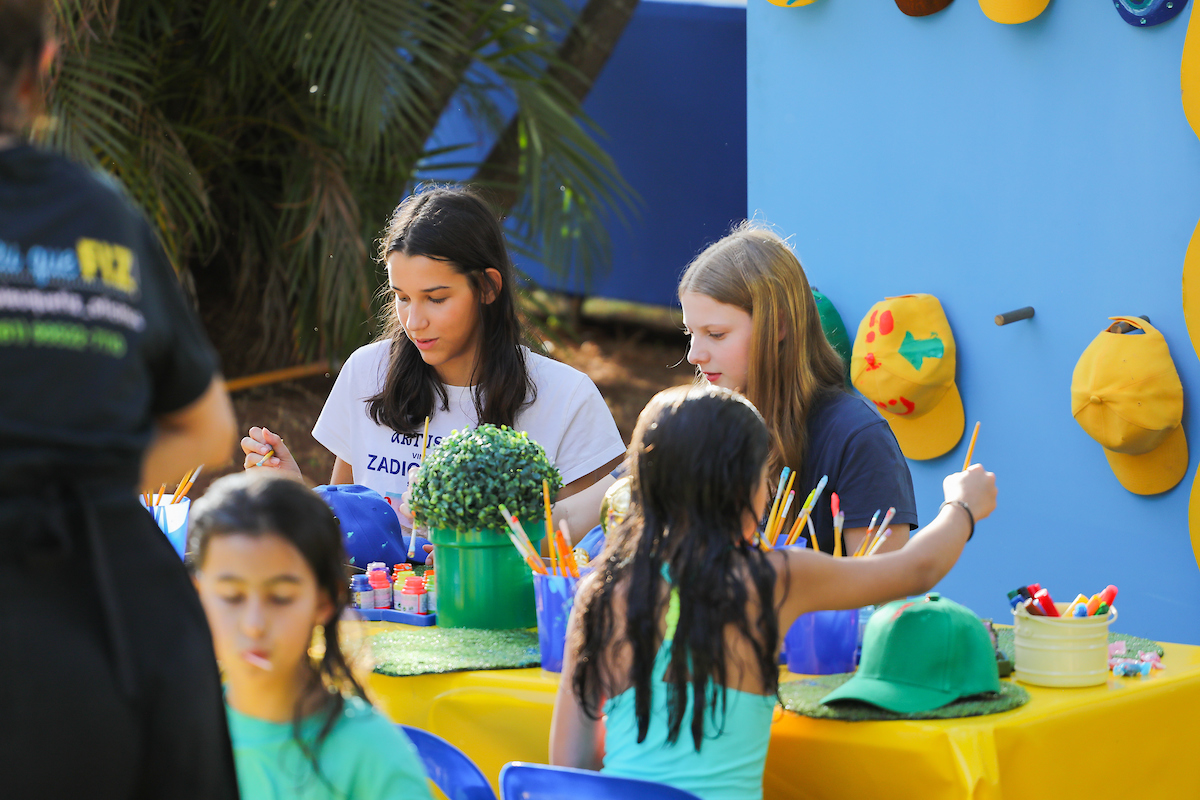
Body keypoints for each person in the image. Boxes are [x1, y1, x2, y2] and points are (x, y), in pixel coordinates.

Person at [0, 2, 239, 796]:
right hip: (126, 625)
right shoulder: (103, 214)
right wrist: (87, 476)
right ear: (44, 70)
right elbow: (208, 430)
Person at [549, 385, 996, 800]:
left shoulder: (600, 591)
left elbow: (570, 762)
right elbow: (914, 569)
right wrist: (962, 507)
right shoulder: (770, 577)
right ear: (748, 488)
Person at [242, 186, 625, 547]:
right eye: (402, 297)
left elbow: (578, 552)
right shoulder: (367, 371)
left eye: (436, 299)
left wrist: (466, 543)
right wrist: (293, 492)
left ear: (489, 288)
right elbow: (350, 531)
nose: (414, 321)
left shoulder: (565, 395)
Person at [191, 471, 435, 800]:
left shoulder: (372, 756)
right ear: (198, 594)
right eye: (231, 596)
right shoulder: (175, 735)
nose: (253, 624)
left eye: (280, 597)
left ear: (325, 600)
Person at [678, 222, 916, 556]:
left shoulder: (857, 437)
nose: (694, 355)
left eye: (716, 334)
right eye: (691, 333)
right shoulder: (698, 425)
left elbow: (881, 595)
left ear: (777, 326)